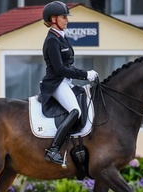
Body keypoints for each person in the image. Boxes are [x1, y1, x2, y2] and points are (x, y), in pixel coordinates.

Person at [39, 1, 98, 165]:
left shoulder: (61, 38)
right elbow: (60, 69)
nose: (67, 20)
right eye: (64, 17)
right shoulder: (52, 41)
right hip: (56, 83)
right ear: (53, 19)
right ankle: (53, 149)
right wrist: (86, 74)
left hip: (66, 82)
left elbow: (68, 67)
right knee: (75, 110)